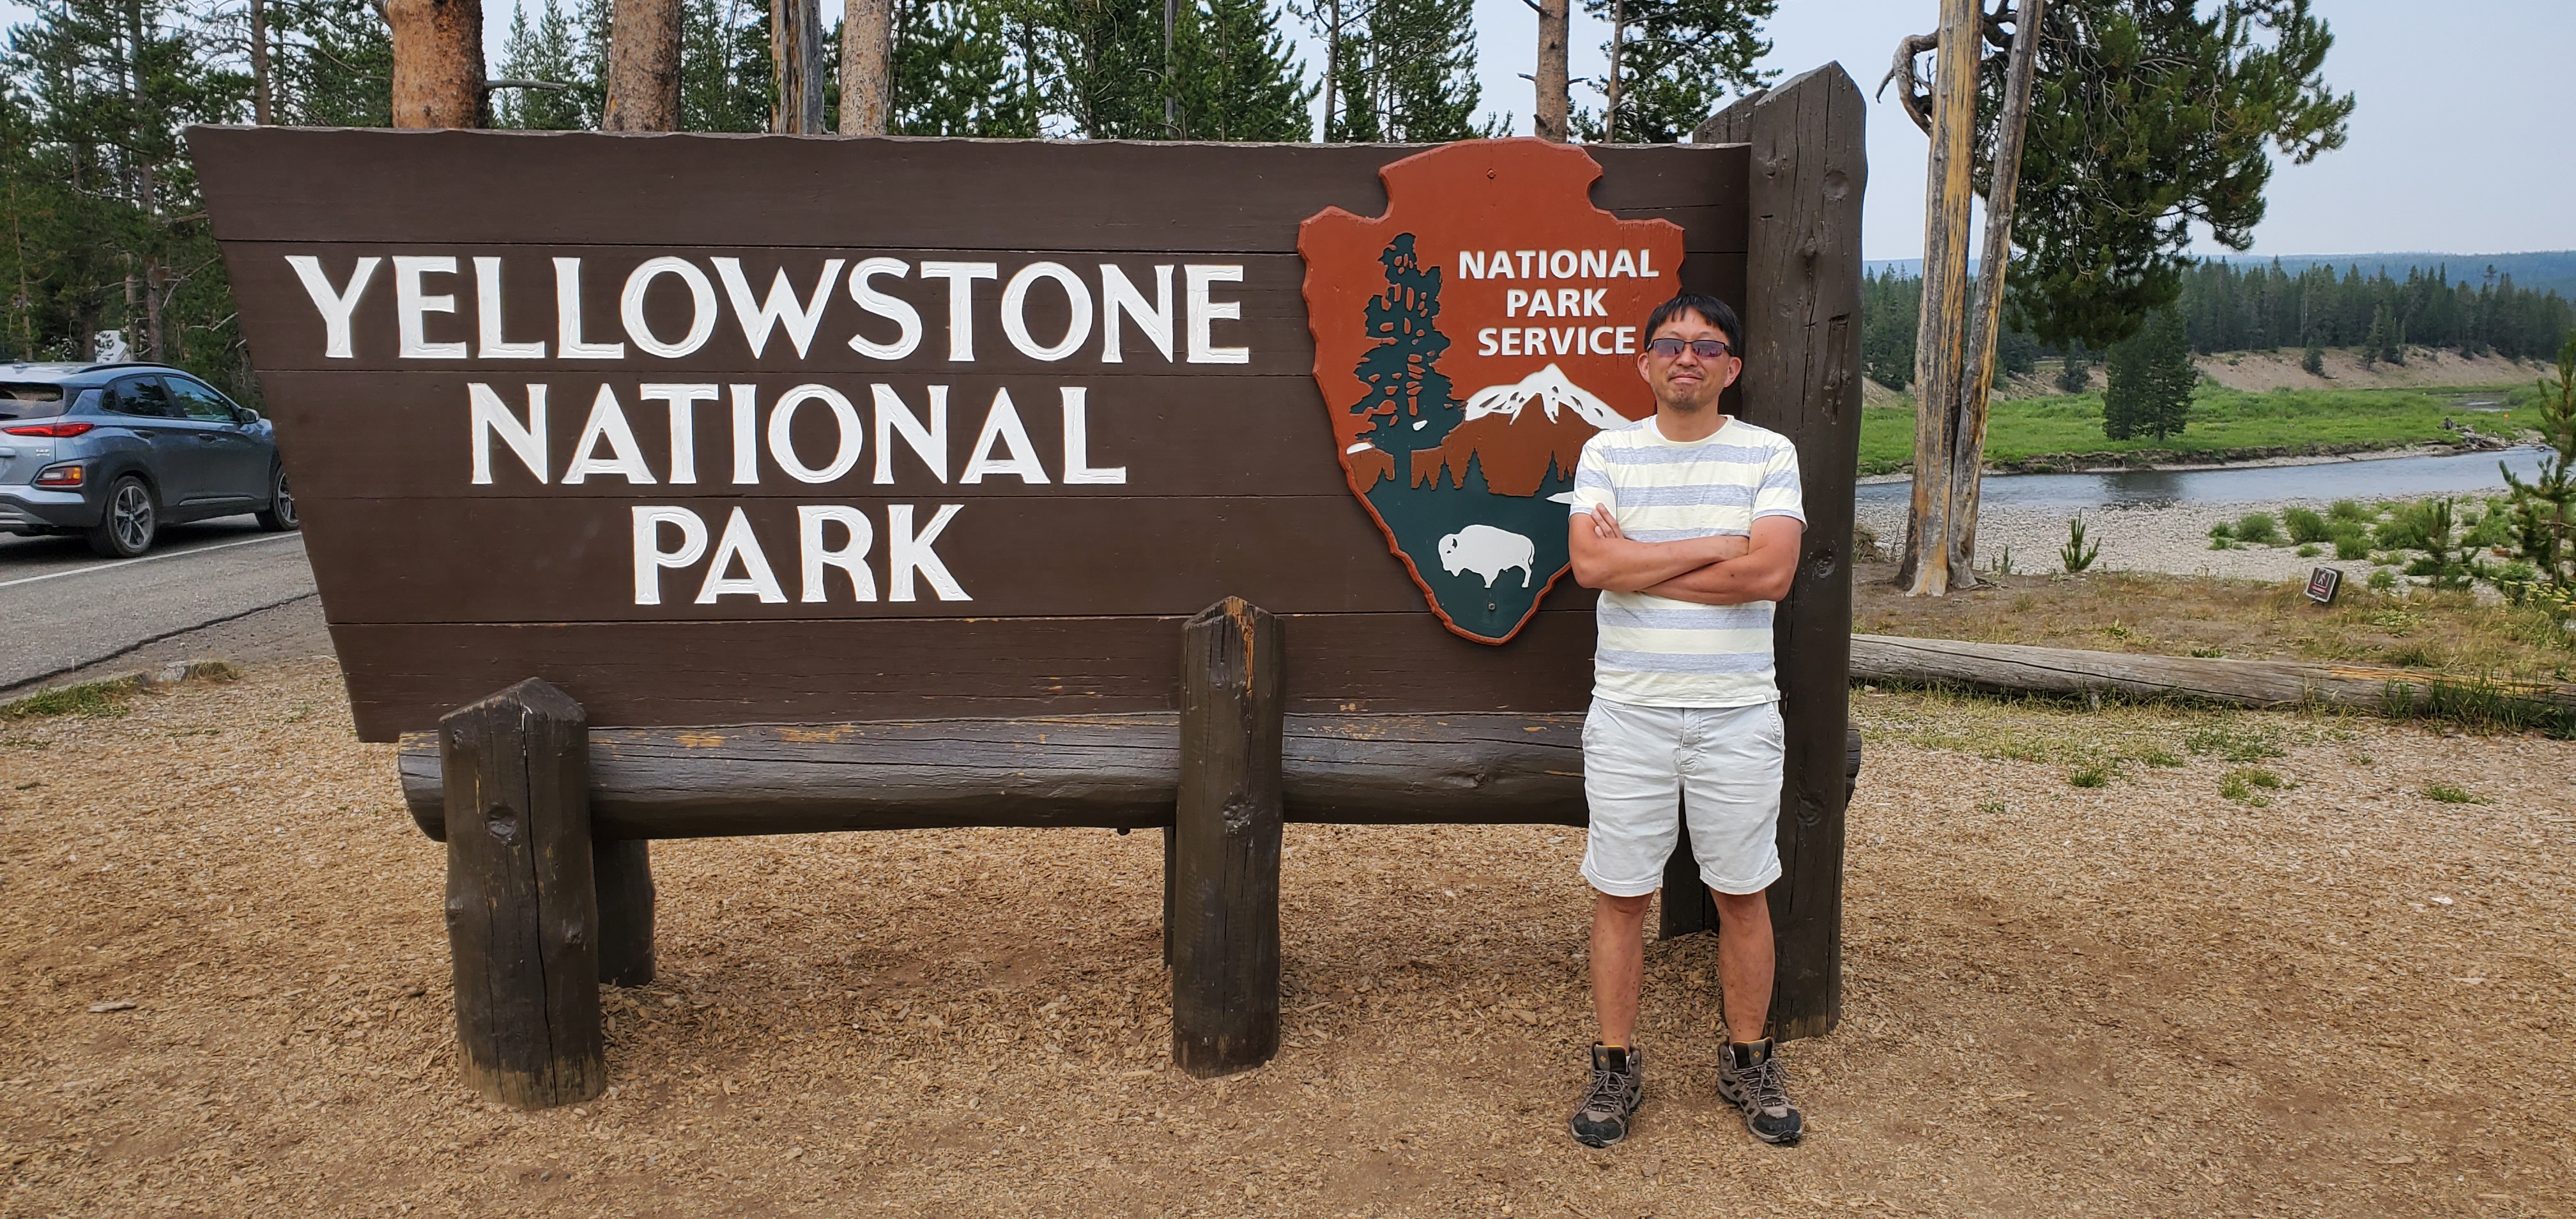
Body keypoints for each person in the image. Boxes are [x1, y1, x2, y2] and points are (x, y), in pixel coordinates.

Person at [1560, 293, 1807, 1148]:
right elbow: (1589, 563)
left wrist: (1638, 562)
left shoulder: (1769, 453)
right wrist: (1717, 546)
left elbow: (1770, 575)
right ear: (1645, 363)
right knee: (1622, 893)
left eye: (1706, 345)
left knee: (1742, 891)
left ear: (1731, 367)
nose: (1687, 357)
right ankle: (1614, 1064)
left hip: (1737, 715)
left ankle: (1749, 1059)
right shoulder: (1607, 451)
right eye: (1669, 344)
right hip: (1630, 713)